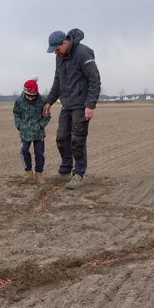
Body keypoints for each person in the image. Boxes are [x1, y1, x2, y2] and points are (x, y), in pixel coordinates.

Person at [43, 28, 101, 189]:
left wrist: (90, 105)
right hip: (66, 104)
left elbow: (94, 79)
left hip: (81, 105)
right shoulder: (60, 57)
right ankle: (65, 169)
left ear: (65, 42)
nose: (56, 53)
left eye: (57, 49)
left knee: (78, 140)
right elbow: (57, 81)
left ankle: (78, 173)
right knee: (61, 138)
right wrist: (49, 101)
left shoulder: (83, 53)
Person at [13, 77, 51, 184]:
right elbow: (16, 114)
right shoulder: (19, 101)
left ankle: (38, 174)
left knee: (39, 153)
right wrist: (19, 125)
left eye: (32, 96)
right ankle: (28, 172)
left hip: (39, 133)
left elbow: (47, 117)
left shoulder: (42, 101)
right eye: (28, 96)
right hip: (25, 132)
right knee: (24, 151)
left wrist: (40, 126)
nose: (30, 98)